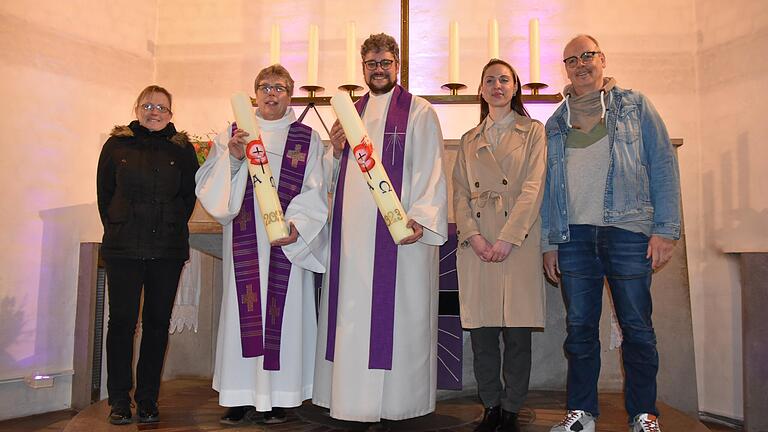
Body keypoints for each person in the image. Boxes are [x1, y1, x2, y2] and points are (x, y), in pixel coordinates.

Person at [541, 35, 681, 432]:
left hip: (628, 232)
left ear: (602, 59)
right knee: (580, 330)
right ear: (565, 68)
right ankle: (582, 413)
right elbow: (551, 188)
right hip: (575, 238)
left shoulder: (635, 105)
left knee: (637, 328)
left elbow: (662, 165)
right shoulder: (555, 122)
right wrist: (550, 242)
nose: (580, 64)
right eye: (572, 59)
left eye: (587, 55)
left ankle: (644, 414)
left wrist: (665, 231)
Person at [313, 33, 448, 428]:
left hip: (400, 236)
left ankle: (398, 403)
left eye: (385, 62)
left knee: (400, 318)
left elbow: (432, 169)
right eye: (371, 63)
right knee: (352, 315)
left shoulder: (420, 112)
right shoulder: (349, 115)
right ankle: (350, 400)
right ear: (363, 67)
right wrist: (334, 150)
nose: (378, 69)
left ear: (398, 64)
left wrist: (421, 216)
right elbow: (332, 177)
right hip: (354, 240)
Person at [195, 64, 328, 426]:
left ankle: (282, 398)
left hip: (286, 243)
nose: (272, 93)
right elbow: (210, 183)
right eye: (265, 87)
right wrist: (234, 158)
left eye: (280, 88)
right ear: (255, 93)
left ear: (291, 94)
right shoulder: (236, 133)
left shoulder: (306, 137)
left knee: (286, 316)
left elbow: (316, 187)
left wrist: (298, 225)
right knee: (243, 313)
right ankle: (238, 397)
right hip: (246, 239)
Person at [453, 59, 547, 432]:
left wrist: (508, 238)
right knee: (483, 334)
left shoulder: (533, 132)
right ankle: (490, 405)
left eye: (504, 80)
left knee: (518, 334)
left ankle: (511, 409)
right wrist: (475, 237)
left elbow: (533, 187)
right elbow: (459, 194)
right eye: (489, 80)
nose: (497, 86)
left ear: (515, 87)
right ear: (480, 89)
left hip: (517, 242)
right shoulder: (468, 139)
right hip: (478, 244)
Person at [96, 85, 199, 425]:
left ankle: (148, 399)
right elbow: (105, 194)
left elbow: (187, 197)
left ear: (171, 114)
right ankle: (119, 401)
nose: (154, 111)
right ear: (137, 108)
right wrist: (119, 228)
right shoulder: (117, 145)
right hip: (123, 248)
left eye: (161, 107)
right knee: (122, 323)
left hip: (166, 250)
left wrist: (167, 226)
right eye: (148, 105)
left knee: (157, 325)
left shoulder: (182, 150)